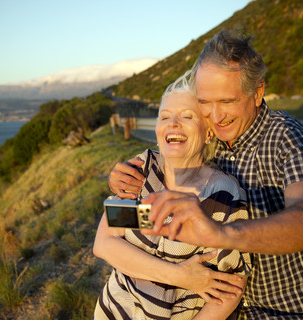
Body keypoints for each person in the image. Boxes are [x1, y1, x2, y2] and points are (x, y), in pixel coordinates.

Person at [108, 29, 303, 319]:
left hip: (296, 308)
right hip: (231, 308)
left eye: (227, 101)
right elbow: (116, 227)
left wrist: (221, 234)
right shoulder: (206, 143)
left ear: (258, 92)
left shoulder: (288, 137)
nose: (216, 115)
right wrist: (127, 181)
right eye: (205, 102)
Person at [93, 73, 252, 319]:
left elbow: (230, 289)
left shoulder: (221, 195)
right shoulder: (143, 173)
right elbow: (105, 243)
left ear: (208, 133)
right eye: (165, 116)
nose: (173, 123)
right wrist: (181, 276)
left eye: (187, 116)